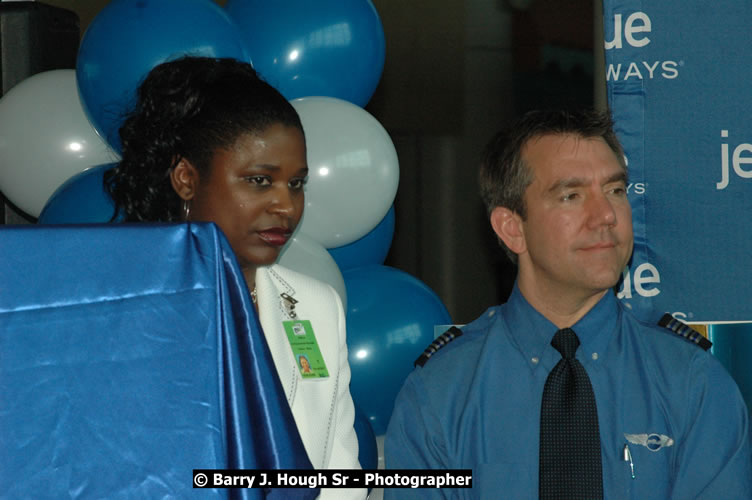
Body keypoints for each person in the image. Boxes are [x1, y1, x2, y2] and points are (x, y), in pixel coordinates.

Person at [384, 108, 752, 498]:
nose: (606, 215)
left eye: (615, 190)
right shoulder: (440, 394)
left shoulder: (691, 382)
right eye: (572, 196)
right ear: (512, 228)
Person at [106, 56, 365, 499]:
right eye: (260, 181)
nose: (286, 206)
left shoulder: (317, 306)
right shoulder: (118, 306)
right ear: (186, 178)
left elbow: (341, 480)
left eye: (297, 184)